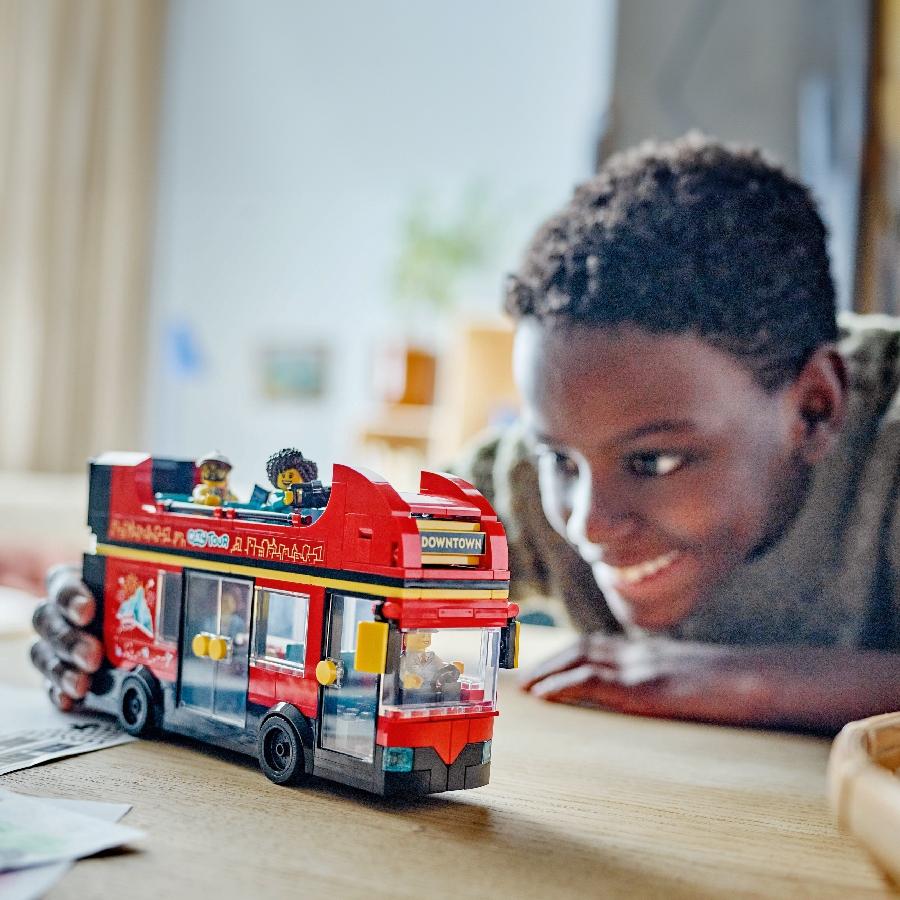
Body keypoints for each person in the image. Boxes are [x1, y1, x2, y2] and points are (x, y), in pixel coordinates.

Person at [30, 134, 900, 730]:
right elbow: (335, 561)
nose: (588, 522)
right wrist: (138, 613)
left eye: (655, 459)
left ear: (815, 408)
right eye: (559, 456)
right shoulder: (528, 483)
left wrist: (742, 678)